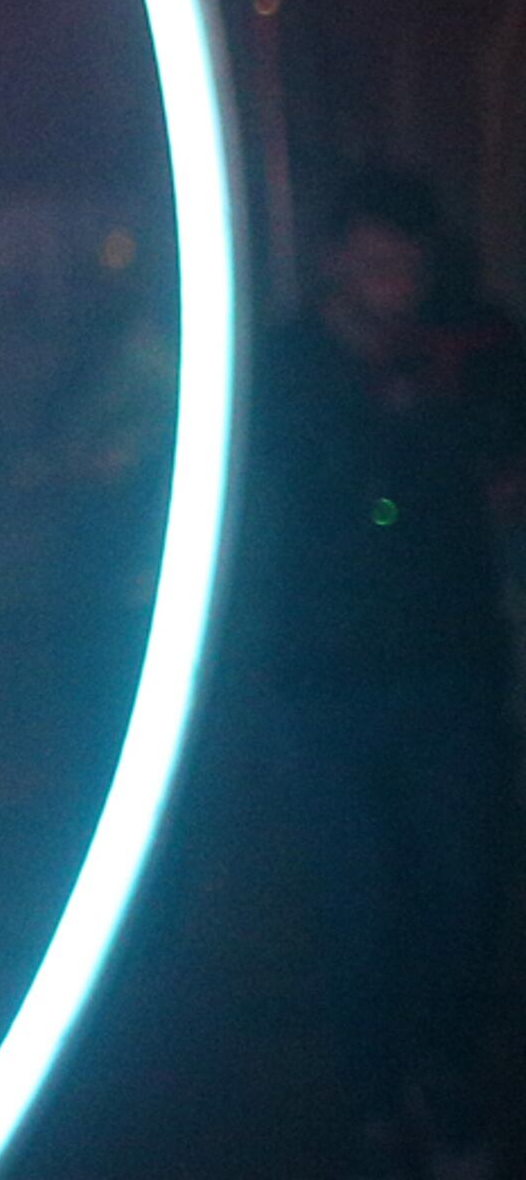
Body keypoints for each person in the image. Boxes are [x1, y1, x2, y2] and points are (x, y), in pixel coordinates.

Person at [233, 169, 523, 1179]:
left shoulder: (475, 347)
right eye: (369, 255)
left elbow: (493, 465)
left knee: (459, 892)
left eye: (405, 256)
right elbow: (318, 494)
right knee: (360, 902)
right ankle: (373, 1095)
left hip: (448, 669)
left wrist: (436, 442)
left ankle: (444, 1082)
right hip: (325, 674)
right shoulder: (288, 364)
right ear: (334, 261)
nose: (389, 274)